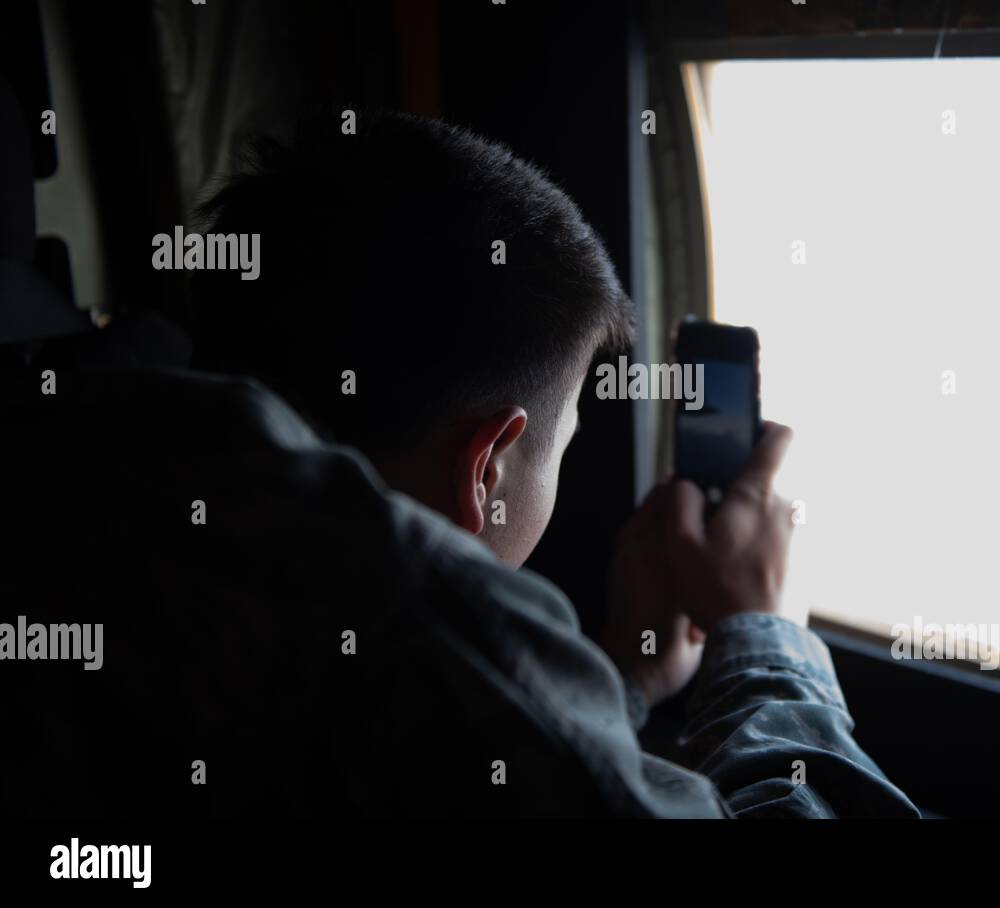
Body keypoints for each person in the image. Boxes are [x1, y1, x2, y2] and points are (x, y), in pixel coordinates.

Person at [0, 111, 917, 818]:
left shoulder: (84, 457)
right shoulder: (412, 611)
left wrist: (620, 687)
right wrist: (761, 633)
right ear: (486, 465)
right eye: (560, 449)